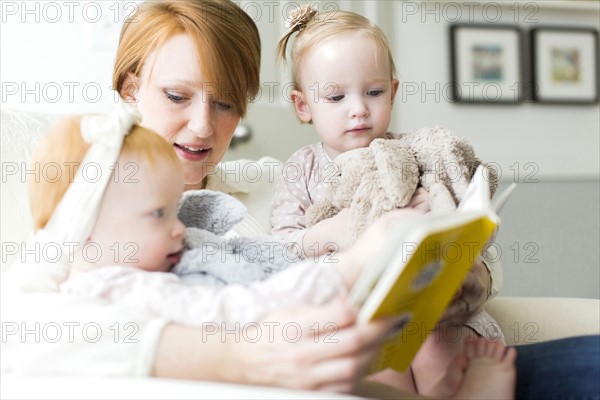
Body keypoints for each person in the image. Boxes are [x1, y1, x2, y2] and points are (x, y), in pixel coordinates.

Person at [2, 1, 598, 398]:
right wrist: (238, 357)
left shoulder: (281, 178)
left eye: (227, 102)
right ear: (131, 89)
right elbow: (20, 333)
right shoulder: (92, 200)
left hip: (425, 352)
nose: (204, 127)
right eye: (177, 95)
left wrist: (459, 265)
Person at [271, 6, 510, 397]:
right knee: (374, 361)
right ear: (303, 106)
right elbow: (278, 253)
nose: (359, 108)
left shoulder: (415, 153)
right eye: (335, 96)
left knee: (436, 343)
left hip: (427, 306)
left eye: (374, 92)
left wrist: (447, 230)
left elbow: (462, 219)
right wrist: (332, 232)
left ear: (393, 92)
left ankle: (458, 387)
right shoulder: (302, 169)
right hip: (357, 315)